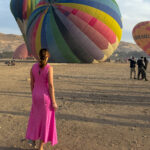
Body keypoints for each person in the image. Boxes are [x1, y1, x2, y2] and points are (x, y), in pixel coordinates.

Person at [26, 48, 58, 150]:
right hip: (45, 98)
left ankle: (33, 138)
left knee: (35, 118)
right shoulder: (49, 68)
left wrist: (34, 94)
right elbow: (51, 86)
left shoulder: (33, 67)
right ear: (47, 57)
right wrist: (53, 102)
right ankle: (40, 147)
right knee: (45, 121)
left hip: (36, 95)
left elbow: (32, 83)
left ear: (39, 56)